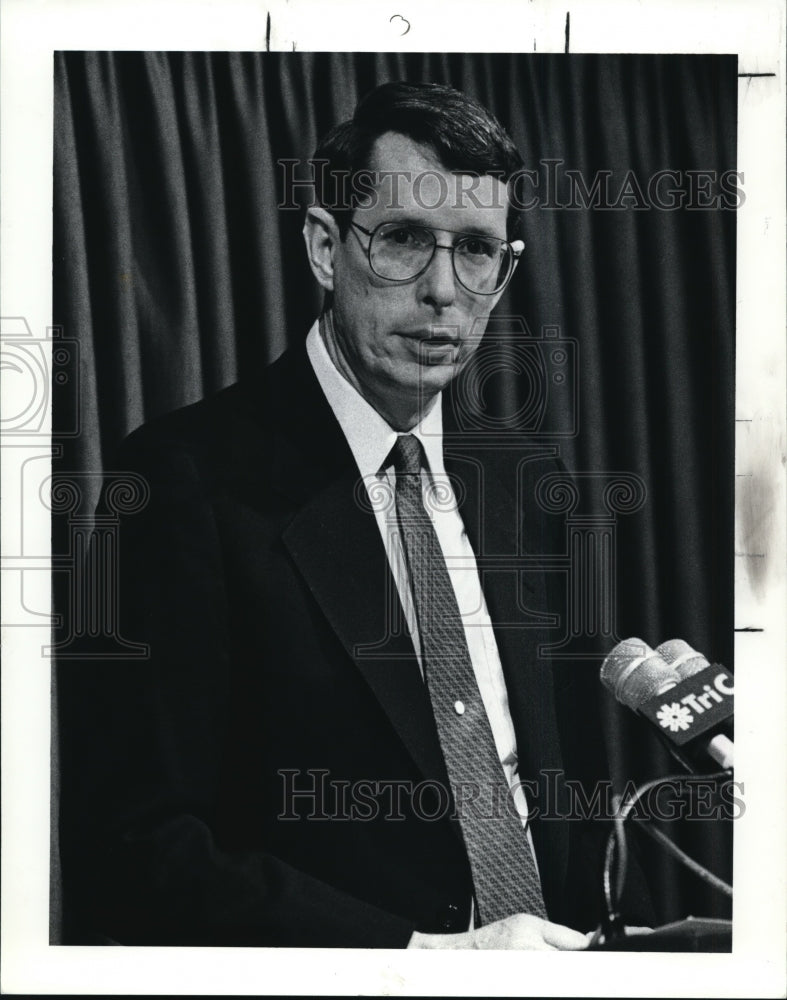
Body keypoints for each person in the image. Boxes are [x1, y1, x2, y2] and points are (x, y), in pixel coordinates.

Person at [57, 81, 652, 949]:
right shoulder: (181, 481)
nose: (444, 291)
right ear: (326, 248)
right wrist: (417, 959)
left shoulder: (528, 481)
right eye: (404, 240)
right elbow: (142, 846)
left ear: (506, 270)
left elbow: (562, 793)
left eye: (477, 251)